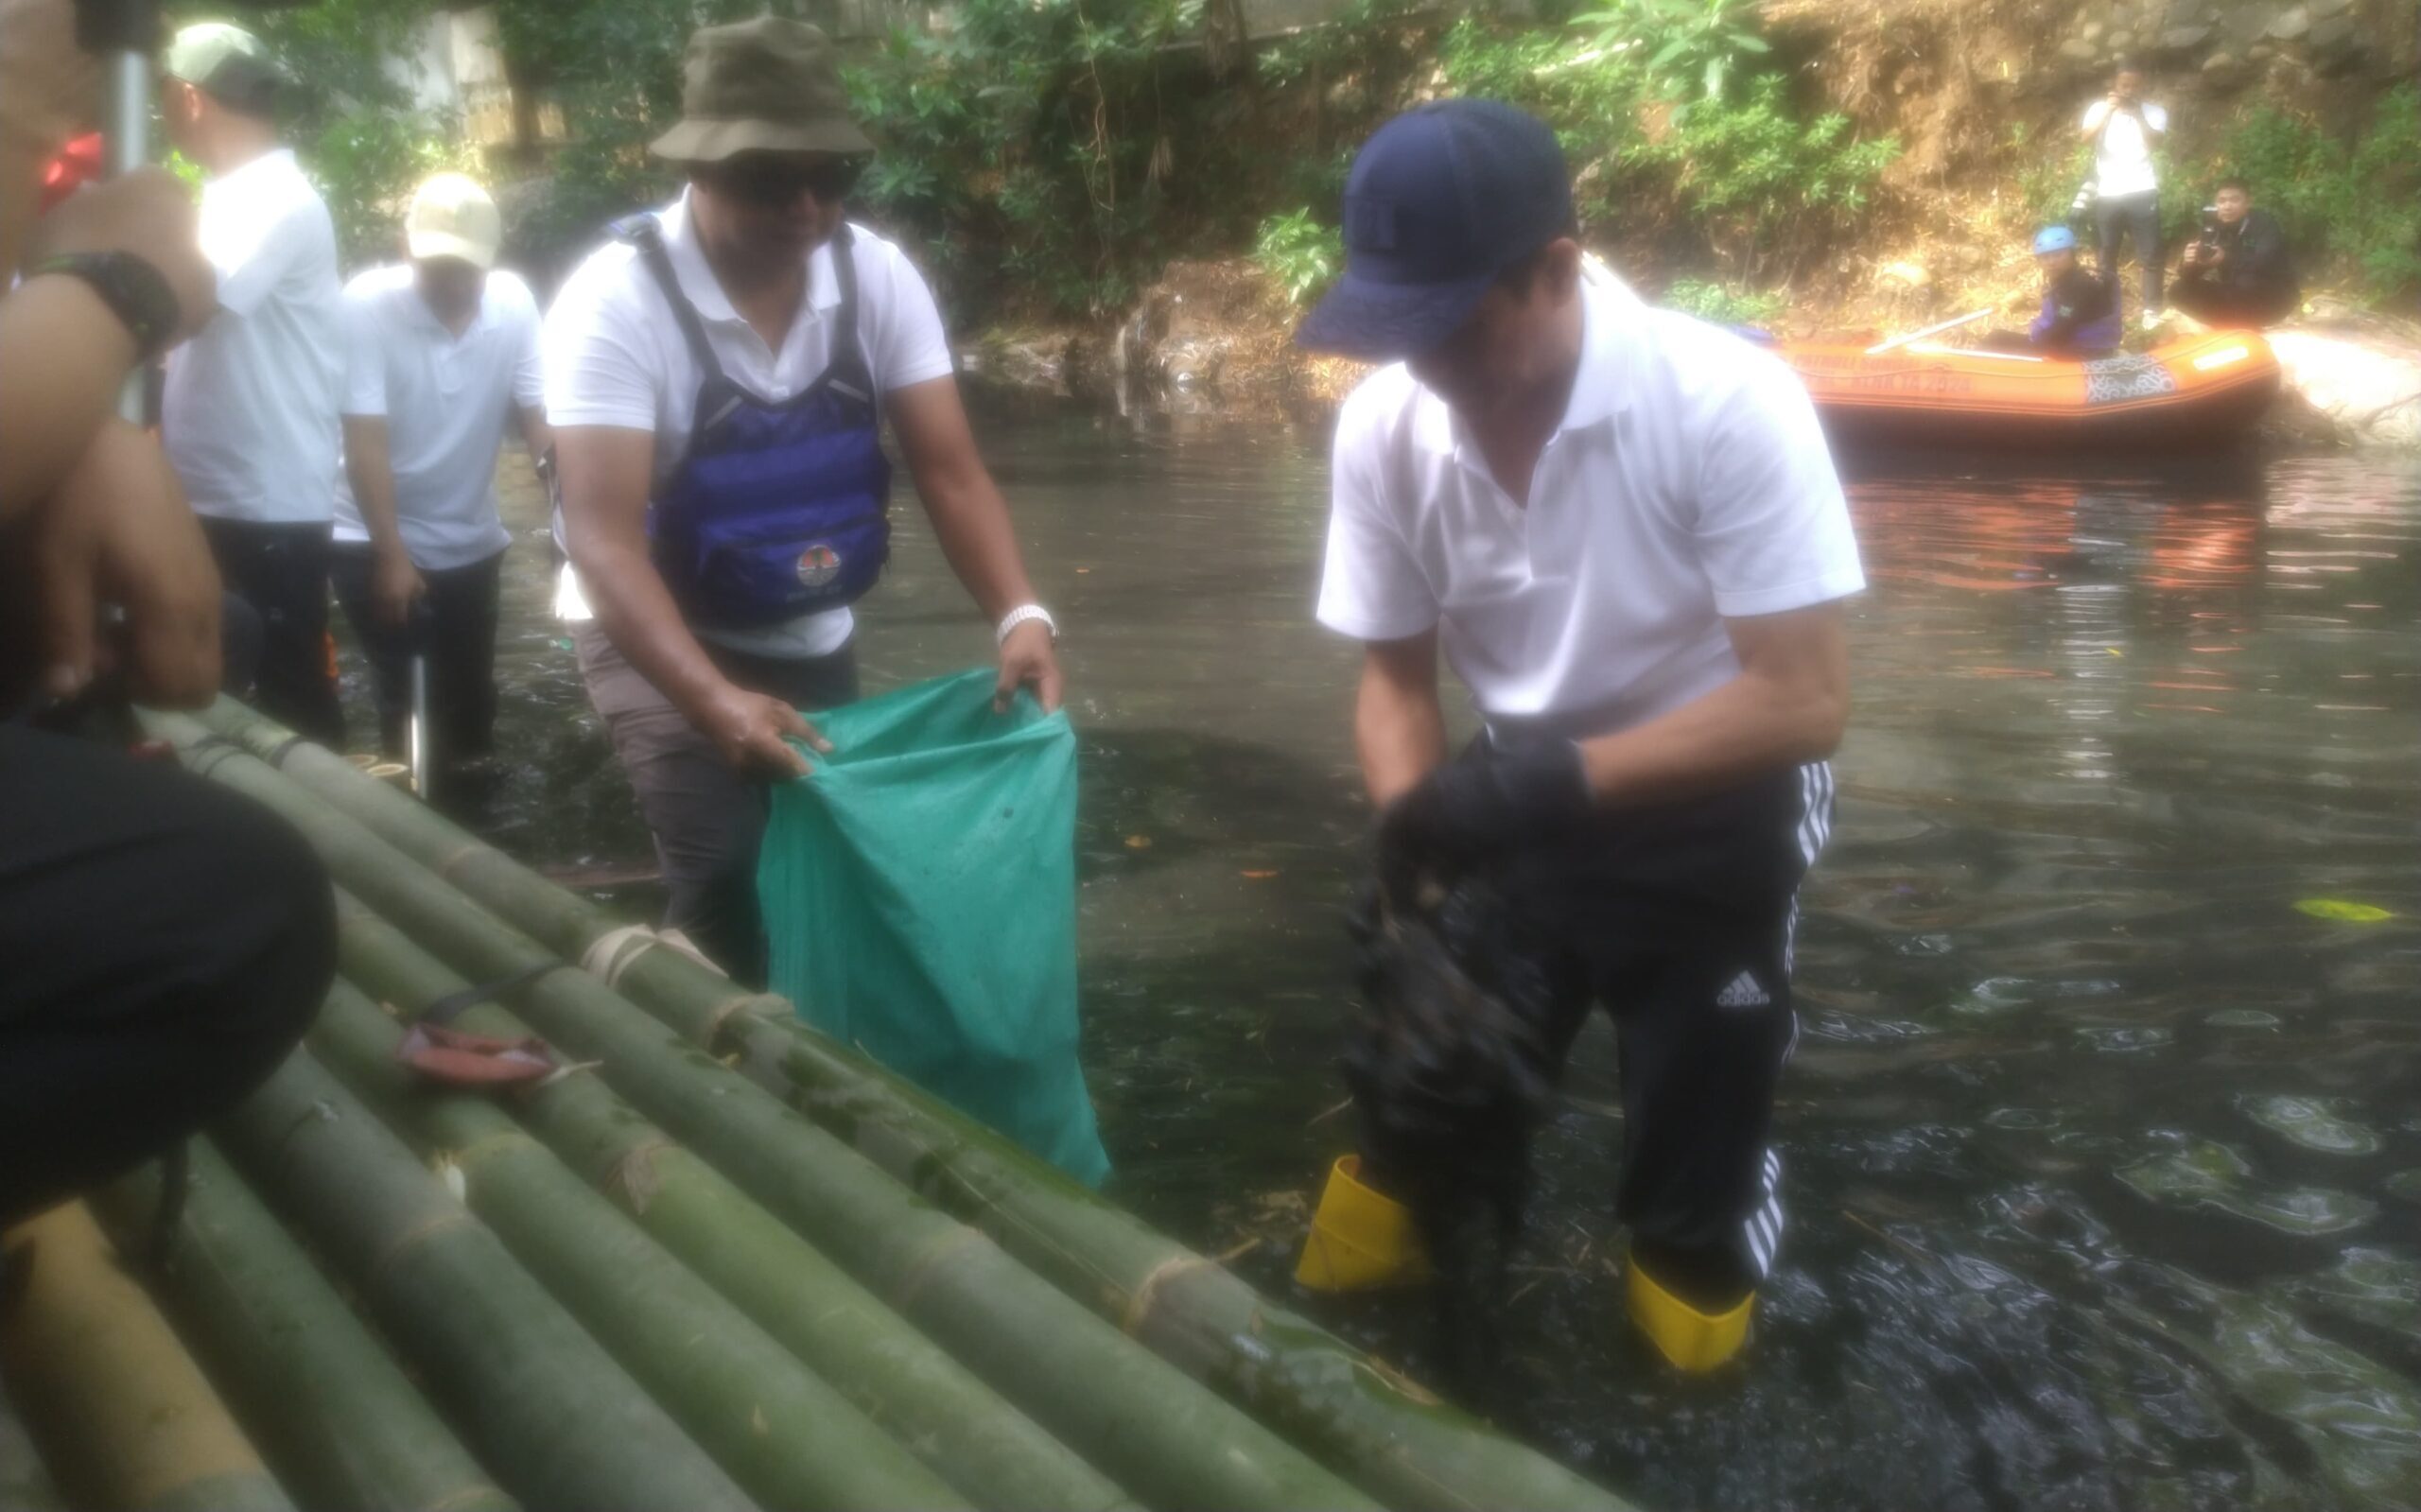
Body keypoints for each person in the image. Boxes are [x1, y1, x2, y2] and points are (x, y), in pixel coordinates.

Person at [1297, 100, 1862, 1373]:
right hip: (1517, 792)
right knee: (1416, 1111)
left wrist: (1538, 790)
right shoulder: (1386, 428)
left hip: (1725, 792)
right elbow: (1394, 678)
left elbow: (1803, 698)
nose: (1420, 359)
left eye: (1449, 320)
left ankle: (1687, 1413)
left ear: (1554, 268)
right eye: (1397, 326)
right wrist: (1417, 848)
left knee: (1689, 1199)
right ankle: (1319, 1373)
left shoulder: (1724, 400)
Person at [546, 16, 1064, 988]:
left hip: (806, 623)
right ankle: (696, 1083)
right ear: (701, 170)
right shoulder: (614, 303)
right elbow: (601, 539)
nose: (806, 208)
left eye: (831, 177)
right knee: (731, 868)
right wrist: (712, 702)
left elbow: (949, 470)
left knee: (820, 857)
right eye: (770, 180)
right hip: (656, 626)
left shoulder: (874, 276)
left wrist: (1019, 611)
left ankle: (809, 1065)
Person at [0, 0, 330, 1224]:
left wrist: (85, 425)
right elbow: (162, 287)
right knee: (241, 910)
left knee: (215, 635)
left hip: (270, 497)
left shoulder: (277, 195)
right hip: (242, 483)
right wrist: (110, 287)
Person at [157, 21, 346, 745]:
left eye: (164, 96)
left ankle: (328, 854)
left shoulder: (275, 197)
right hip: (216, 488)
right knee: (230, 680)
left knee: (292, 693)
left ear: (191, 98)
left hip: (264, 498)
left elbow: (178, 311)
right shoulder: (226, 193)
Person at [329, 172, 549, 793]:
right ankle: (417, 822)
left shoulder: (513, 304)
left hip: (471, 539)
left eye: (467, 269)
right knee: (412, 695)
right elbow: (363, 436)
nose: (453, 283)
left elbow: (539, 418)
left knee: (473, 697)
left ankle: (482, 822)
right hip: (369, 533)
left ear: (493, 258)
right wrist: (391, 554)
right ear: (407, 250)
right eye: (438, 266)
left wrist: (572, 513)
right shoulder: (367, 305)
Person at [2079, 61, 2169, 331]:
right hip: (2108, 191)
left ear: (2143, 86)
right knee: (2107, 254)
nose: (2130, 90)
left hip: (2143, 188)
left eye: (2135, 85)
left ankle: (2152, 311)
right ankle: (2107, 307)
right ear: (2115, 85)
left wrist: (2139, 114)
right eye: (2124, 85)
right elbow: (2084, 139)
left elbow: (2155, 143)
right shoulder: (2098, 109)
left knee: (2151, 252)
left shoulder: (2155, 111)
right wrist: (2108, 111)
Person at [2171, 178, 2298, 329]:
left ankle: (2243, 324)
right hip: (2234, 293)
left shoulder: (2264, 224)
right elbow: (2190, 275)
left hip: (2273, 296)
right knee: (2178, 290)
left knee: (2245, 282)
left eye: (2234, 200)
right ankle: (2231, 325)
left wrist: (2226, 259)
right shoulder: (2213, 227)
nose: (2227, 206)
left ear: (2247, 203)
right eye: (2222, 201)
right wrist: (2189, 263)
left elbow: (2263, 262)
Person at [1978, 225, 2120, 357]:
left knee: (1994, 342)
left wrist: (2035, 345)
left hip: (2082, 351)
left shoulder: (2079, 285)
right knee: (1997, 337)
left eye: (2058, 255)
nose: (2051, 262)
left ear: (2072, 254)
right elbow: (2062, 320)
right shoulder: (2066, 280)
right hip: (2067, 342)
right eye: (2045, 257)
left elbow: (2063, 325)